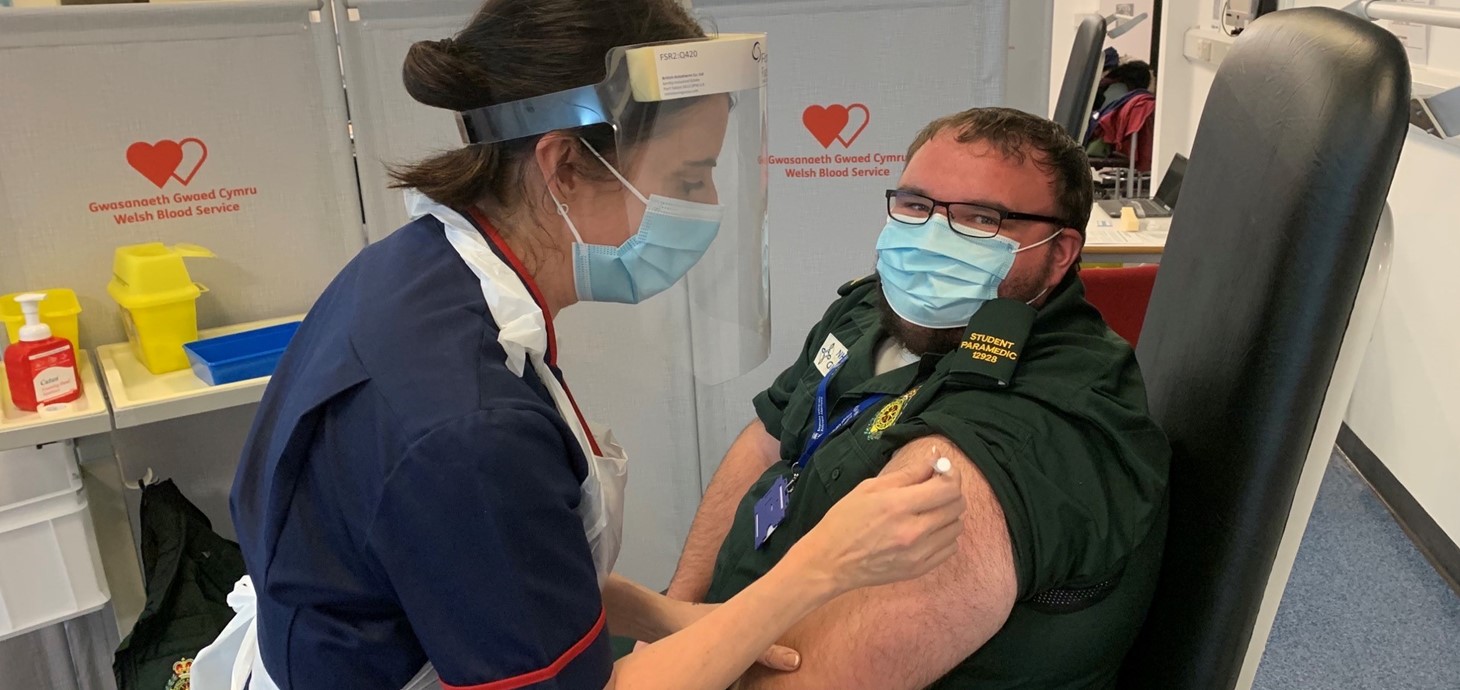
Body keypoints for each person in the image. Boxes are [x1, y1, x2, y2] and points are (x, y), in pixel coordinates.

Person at [192, 2, 965, 689]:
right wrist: (817, 569)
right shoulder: (466, 422)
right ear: (565, 165)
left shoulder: (421, 271)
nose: (707, 206)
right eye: (689, 178)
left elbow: (494, 567)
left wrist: (669, 618)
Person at [664, 108, 1172, 689]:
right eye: (915, 206)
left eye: (982, 219)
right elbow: (766, 442)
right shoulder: (871, 312)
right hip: (713, 640)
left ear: (1059, 253)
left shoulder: (1047, 411)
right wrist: (675, 615)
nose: (931, 238)